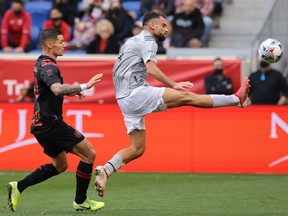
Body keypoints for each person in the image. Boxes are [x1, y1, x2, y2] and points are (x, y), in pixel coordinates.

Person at [94, 11, 250, 197]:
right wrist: (174, 84)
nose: (167, 30)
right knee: (188, 97)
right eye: (163, 26)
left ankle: (106, 170)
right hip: (135, 93)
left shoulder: (131, 41)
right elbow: (151, 68)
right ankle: (236, 99)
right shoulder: (148, 41)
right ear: (152, 26)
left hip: (124, 99)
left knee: (137, 148)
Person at [7, 28, 105, 212]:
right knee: (89, 154)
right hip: (50, 123)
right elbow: (57, 89)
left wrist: (73, 90)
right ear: (50, 44)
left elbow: (50, 89)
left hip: (39, 125)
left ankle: (18, 187)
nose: (64, 45)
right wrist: (85, 85)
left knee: (60, 165)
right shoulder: (49, 66)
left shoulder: (40, 62)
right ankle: (81, 200)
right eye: (60, 42)